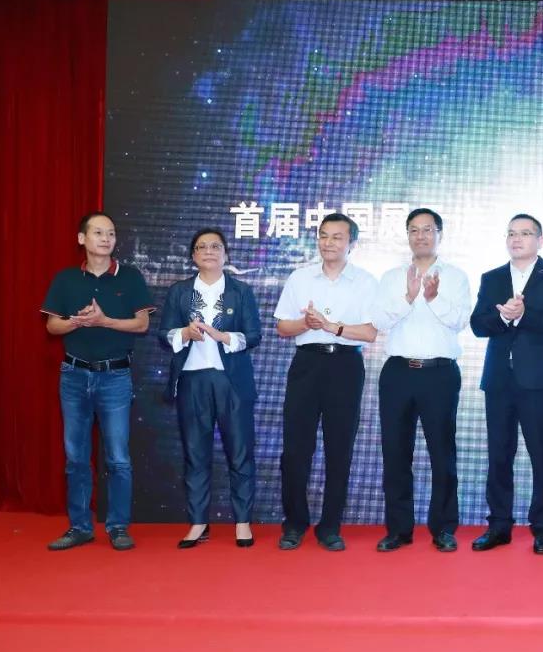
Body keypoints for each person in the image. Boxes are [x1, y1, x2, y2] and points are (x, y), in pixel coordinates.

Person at [42, 212, 154, 551]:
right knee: (76, 456)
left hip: (114, 376)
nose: (106, 239)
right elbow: (52, 326)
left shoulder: (130, 277)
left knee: (118, 457)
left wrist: (104, 320)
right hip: (73, 376)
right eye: (98, 233)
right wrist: (77, 322)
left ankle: (118, 527)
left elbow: (142, 325)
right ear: (82, 239)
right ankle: (79, 527)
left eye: (111, 233)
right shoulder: (65, 279)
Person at [470, 214, 543, 555]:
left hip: (539, 380)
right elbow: (478, 324)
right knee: (499, 455)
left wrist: (524, 314)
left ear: (540, 240)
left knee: (542, 455)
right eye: (512, 233)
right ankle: (499, 525)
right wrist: (503, 316)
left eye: (525, 233)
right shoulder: (492, 277)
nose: (517, 239)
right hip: (499, 380)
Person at [274, 213, 378, 552]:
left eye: (337, 237)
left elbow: (370, 333)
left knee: (339, 448)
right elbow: (282, 327)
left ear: (352, 243)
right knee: (295, 449)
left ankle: (330, 526)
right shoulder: (300, 277)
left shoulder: (365, 282)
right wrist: (307, 323)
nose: (328, 243)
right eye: (323, 235)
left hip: (346, 366)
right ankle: (294, 523)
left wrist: (332, 326)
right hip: (307, 363)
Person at [371, 208, 471, 553]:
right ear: (407, 236)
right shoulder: (391, 277)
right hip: (398, 373)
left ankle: (443, 528)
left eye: (428, 230)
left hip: (439, 374)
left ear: (439, 234)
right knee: (395, 453)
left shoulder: (455, 277)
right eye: (414, 230)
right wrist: (408, 297)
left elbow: (460, 321)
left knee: (442, 454)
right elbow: (379, 321)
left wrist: (433, 298)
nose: (421, 236)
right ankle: (399, 529)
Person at [158, 228, 262, 549]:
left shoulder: (241, 291)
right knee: (195, 453)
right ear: (193, 256)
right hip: (192, 379)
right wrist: (184, 334)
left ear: (226, 254)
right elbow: (164, 334)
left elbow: (254, 335)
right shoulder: (179, 291)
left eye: (216, 246)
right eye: (202, 247)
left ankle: (242, 522)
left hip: (232, 381)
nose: (209, 251)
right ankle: (198, 523)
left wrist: (222, 337)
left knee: (240, 452)